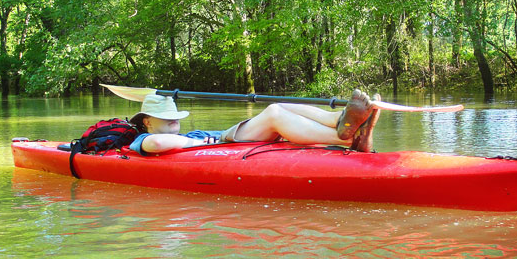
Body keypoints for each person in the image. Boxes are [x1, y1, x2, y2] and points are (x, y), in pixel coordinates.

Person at [129, 90, 380, 155]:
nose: (174, 121)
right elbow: (158, 143)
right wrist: (188, 142)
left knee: (277, 108)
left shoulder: (192, 132)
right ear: (148, 122)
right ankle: (343, 136)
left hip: (231, 138)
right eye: (167, 118)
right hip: (223, 142)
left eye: (175, 116)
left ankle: (337, 120)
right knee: (273, 113)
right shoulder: (142, 140)